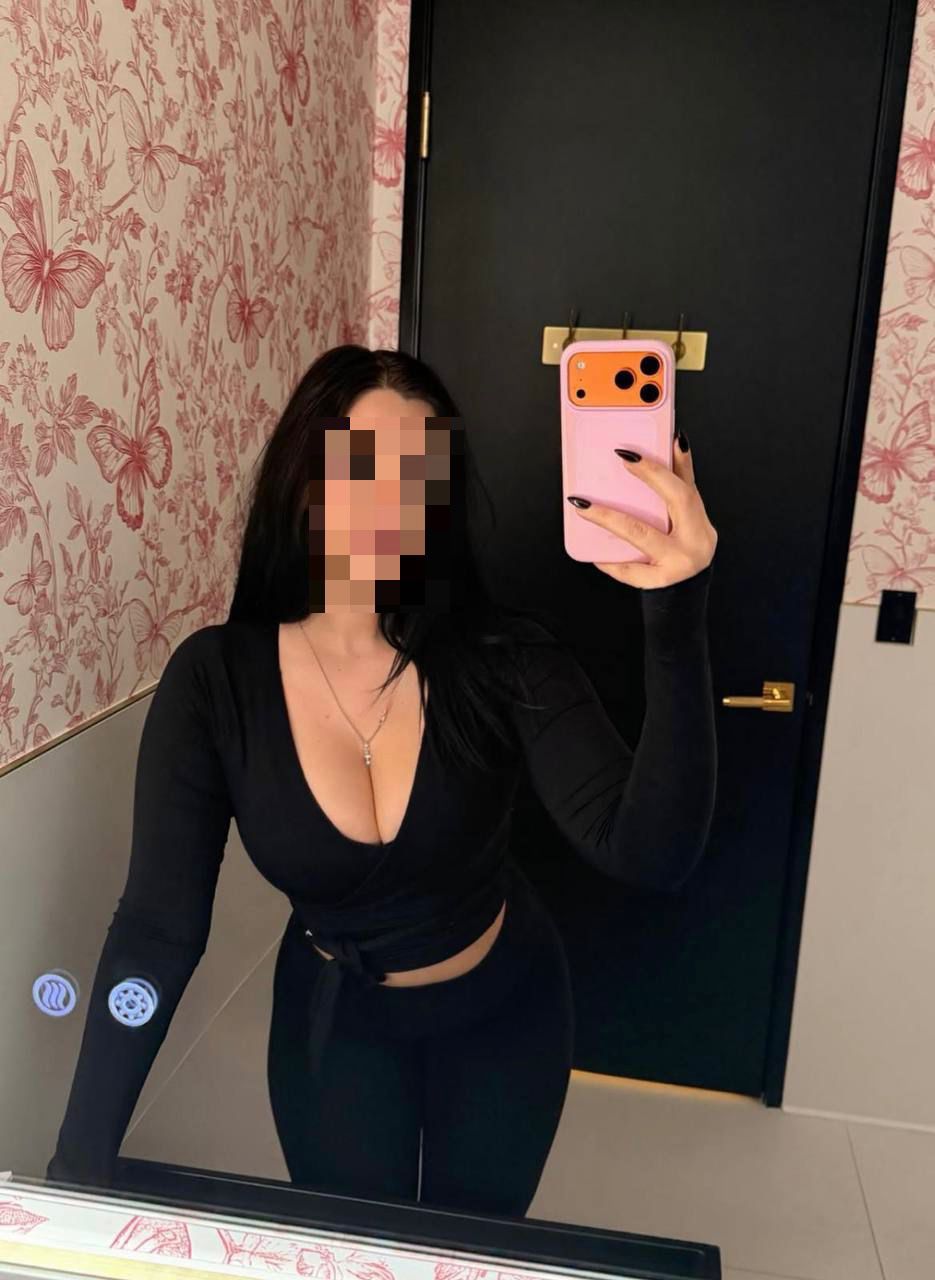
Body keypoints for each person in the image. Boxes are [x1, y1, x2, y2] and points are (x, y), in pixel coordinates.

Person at [46, 344, 718, 1217]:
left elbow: (652, 854)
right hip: (334, 1035)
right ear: (302, 484)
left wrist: (675, 610)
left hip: (507, 1018)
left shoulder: (505, 657)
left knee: (473, 1252)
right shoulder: (215, 682)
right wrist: (80, 1157)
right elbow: (155, 932)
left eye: (419, 480)